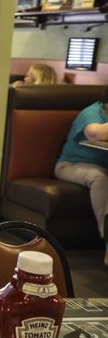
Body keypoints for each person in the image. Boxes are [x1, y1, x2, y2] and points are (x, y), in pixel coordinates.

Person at [55, 85, 108, 263]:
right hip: (70, 165)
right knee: (99, 178)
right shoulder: (92, 112)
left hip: (103, 167)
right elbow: (95, 134)